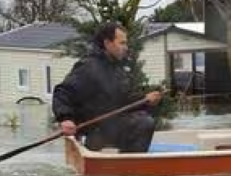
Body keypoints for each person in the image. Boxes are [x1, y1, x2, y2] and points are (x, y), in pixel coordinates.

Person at [52, 22, 162, 153]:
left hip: (111, 126)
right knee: (144, 123)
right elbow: (62, 92)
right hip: (93, 131)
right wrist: (65, 119)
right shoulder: (88, 67)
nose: (126, 47)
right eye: (122, 43)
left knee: (143, 120)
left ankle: (129, 167)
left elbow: (124, 100)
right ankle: (128, 166)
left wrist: (145, 100)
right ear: (107, 43)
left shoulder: (118, 69)